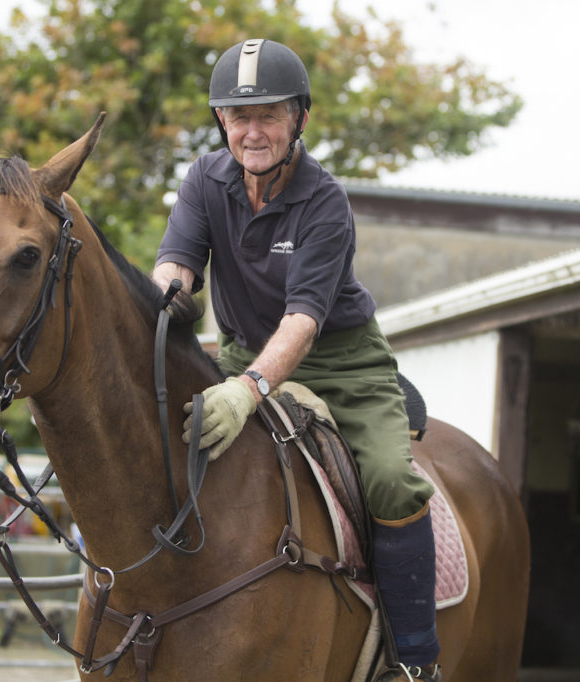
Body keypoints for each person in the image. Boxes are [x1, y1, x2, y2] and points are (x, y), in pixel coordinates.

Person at [152, 38, 441, 681]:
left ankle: (416, 661)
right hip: (239, 352)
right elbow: (178, 264)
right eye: (238, 116)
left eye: (269, 115)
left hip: (339, 362)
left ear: (300, 119)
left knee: (392, 481)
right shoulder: (204, 179)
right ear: (221, 121)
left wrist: (246, 390)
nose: (252, 132)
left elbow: (303, 322)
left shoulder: (325, 201)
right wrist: (164, 297)